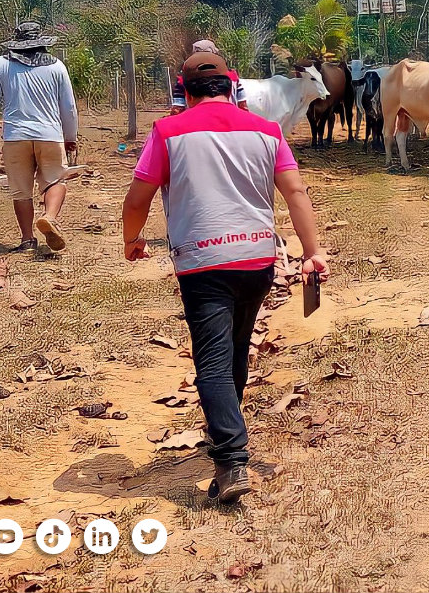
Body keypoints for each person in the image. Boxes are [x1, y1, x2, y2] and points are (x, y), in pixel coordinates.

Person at [122, 51, 329, 502]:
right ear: (234, 85)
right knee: (235, 346)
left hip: (202, 263)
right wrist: (312, 251)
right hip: (257, 260)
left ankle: (232, 459)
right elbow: (295, 191)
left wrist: (132, 239)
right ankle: (226, 426)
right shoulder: (267, 131)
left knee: (212, 362)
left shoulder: (167, 131)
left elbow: (137, 197)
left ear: (185, 89)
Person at [0, 21, 78, 253]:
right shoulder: (57, 67)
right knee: (56, 180)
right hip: (50, 134)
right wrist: (70, 136)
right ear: (41, 43)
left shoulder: (2, 65)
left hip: (16, 137)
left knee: (21, 190)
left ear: (17, 44)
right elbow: (69, 107)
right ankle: (50, 217)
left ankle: (27, 240)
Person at [171, 39, 248, 114]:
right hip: (230, 122)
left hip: (196, 124)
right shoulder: (232, 76)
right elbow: (243, 106)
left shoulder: (184, 79)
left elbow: (177, 109)